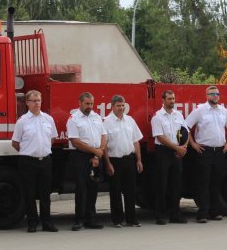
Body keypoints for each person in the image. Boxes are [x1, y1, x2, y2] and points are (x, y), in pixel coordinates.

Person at [185, 85, 227, 223]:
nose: (215, 96)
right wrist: (193, 144)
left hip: (219, 151)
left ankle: (215, 211)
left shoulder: (223, 111)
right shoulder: (200, 110)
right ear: (206, 95)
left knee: (216, 183)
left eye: (217, 94)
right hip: (204, 152)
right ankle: (202, 213)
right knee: (203, 183)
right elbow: (186, 126)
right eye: (212, 94)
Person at [12, 90, 59, 233]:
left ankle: (47, 222)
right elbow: (15, 142)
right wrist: (29, 150)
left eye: (39, 100)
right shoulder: (22, 121)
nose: (37, 103)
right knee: (29, 194)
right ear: (27, 103)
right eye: (34, 101)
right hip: (28, 161)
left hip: (45, 160)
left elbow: (53, 138)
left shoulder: (48, 119)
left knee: (45, 194)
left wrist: (42, 149)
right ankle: (32, 222)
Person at [65, 92, 107, 231]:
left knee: (93, 189)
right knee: (81, 189)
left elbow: (103, 136)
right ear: (80, 103)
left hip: (96, 156)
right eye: (87, 103)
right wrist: (95, 152)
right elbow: (75, 142)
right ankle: (79, 220)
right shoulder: (73, 119)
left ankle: (91, 219)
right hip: (80, 157)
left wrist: (98, 154)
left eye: (91, 104)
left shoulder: (96, 117)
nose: (89, 106)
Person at [103, 95, 144, 228]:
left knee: (130, 190)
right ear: (112, 106)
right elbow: (104, 146)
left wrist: (139, 160)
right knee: (115, 191)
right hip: (115, 161)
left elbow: (136, 141)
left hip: (129, 159)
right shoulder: (106, 122)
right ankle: (117, 220)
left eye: (123, 105)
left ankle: (131, 219)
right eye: (118, 106)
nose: (121, 108)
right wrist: (108, 163)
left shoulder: (130, 120)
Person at [150, 90, 189, 225]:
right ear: (163, 100)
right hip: (163, 152)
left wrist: (183, 147)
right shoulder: (157, 117)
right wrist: (176, 148)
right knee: (162, 185)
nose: (172, 101)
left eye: (173, 98)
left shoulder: (178, 114)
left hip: (178, 153)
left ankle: (175, 215)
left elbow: (185, 132)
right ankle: (160, 215)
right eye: (169, 99)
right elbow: (159, 137)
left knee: (176, 185)